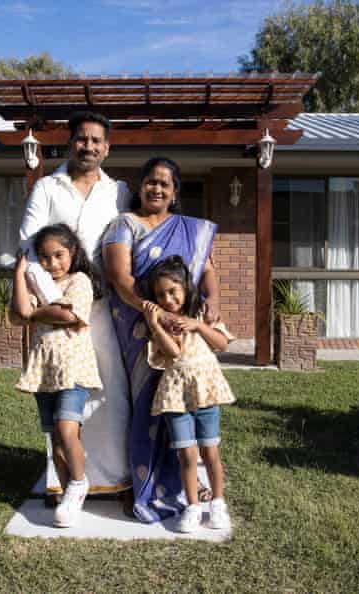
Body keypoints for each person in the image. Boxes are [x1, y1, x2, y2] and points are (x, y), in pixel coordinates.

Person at [19, 111, 132, 501]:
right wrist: (56, 304)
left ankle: (115, 478)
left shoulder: (119, 192)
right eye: (82, 139)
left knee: (110, 395)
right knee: (58, 395)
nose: (89, 146)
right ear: (71, 143)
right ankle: (62, 481)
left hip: (104, 312)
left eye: (96, 140)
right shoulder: (47, 188)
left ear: (107, 148)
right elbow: (28, 249)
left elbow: (128, 244)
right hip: (57, 318)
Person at [102, 156, 221, 523]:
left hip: (183, 331)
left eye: (164, 184)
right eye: (151, 181)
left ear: (174, 192)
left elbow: (207, 270)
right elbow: (120, 278)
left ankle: (187, 487)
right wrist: (155, 313)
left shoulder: (191, 230)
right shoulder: (124, 225)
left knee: (182, 405)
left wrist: (213, 299)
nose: (156, 188)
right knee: (147, 406)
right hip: (142, 328)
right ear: (140, 187)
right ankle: (144, 486)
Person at [13, 224, 103, 527]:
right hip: (45, 371)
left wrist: (36, 313)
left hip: (73, 368)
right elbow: (19, 311)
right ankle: (68, 496)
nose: (53, 263)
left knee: (67, 431)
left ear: (72, 253)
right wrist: (20, 273)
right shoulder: (38, 285)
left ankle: (79, 483)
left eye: (58, 255)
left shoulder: (80, 281)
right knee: (56, 438)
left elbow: (68, 315)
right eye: (45, 258)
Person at [142, 255, 235, 532]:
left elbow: (221, 344)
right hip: (176, 397)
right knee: (187, 455)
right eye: (161, 295)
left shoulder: (202, 314)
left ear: (186, 288)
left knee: (210, 451)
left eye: (173, 291)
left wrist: (199, 326)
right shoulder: (161, 325)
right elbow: (174, 352)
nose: (168, 299)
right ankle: (193, 506)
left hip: (205, 393)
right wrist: (155, 326)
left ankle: (218, 504)